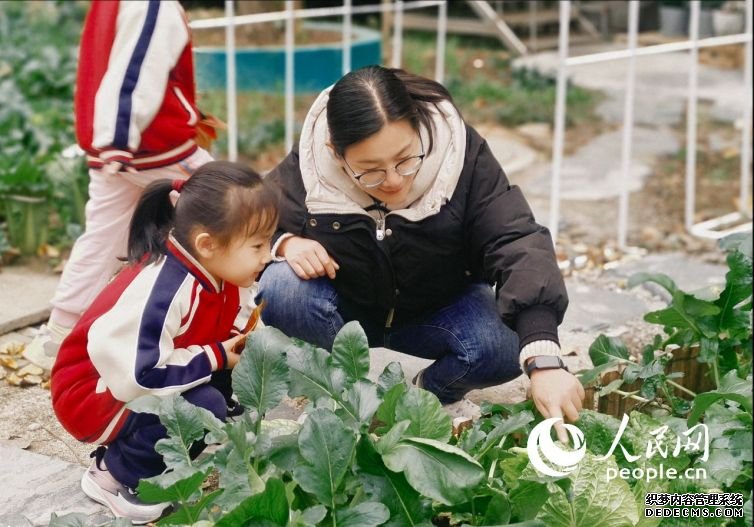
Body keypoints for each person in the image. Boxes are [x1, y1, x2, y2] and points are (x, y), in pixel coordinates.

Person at [257, 65, 584, 435]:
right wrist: (286, 242)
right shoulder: (313, 164)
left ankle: (425, 396)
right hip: (346, 308)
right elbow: (254, 218)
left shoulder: (459, 156)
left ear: (418, 127)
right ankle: (344, 396)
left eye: (405, 158)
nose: (394, 181)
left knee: (507, 344)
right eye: (370, 170)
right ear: (336, 153)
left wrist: (544, 362)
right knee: (283, 286)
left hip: (437, 308)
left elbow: (514, 239)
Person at [51, 162, 279, 523]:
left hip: (141, 368)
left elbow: (231, 321)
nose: (268, 255)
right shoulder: (164, 289)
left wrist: (239, 346)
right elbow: (141, 374)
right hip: (93, 390)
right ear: (207, 243)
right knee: (203, 405)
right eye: (258, 244)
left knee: (223, 371)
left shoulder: (219, 270)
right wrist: (216, 356)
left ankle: (179, 437)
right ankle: (116, 474)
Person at [25, 0, 216, 370]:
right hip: (150, 144)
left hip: (115, 144)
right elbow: (135, 70)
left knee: (101, 236)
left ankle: (59, 333)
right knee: (234, 203)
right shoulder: (152, 5)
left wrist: (109, 141)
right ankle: (239, 313)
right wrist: (117, 139)